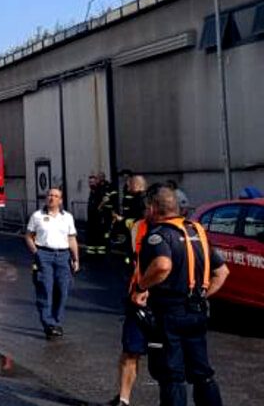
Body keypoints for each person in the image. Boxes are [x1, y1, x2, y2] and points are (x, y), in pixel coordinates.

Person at [132, 186, 229, 406]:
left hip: (169, 312)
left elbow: (162, 265)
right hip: (196, 312)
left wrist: (141, 287)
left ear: (154, 208)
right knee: (202, 372)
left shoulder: (158, 234)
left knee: (172, 375)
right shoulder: (197, 232)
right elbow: (222, 272)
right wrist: (202, 295)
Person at [110, 188, 157, 406]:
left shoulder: (182, 230)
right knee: (130, 352)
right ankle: (123, 399)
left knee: (167, 358)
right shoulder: (139, 227)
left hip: (162, 302)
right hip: (137, 300)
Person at [25, 187, 80, 338]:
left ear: (60, 200)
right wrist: (37, 253)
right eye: (49, 195)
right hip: (44, 255)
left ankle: (56, 321)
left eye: (55, 196)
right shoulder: (37, 216)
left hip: (63, 256)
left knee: (62, 290)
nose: (52, 198)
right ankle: (49, 324)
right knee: (45, 289)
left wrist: (76, 258)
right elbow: (29, 236)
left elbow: (72, 239)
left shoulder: (67, 217)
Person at [86, 172, 115, 256]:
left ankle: (100, 254)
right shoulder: (92, 191)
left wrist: (99, 207)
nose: (90, 184)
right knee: (91, 235)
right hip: (91, 217)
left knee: (99, 235)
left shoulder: (100, 190)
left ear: (96, 182)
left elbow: (106, 199)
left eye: (92, 182)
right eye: (89, 182)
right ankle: (91, 253)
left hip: (98, 217)